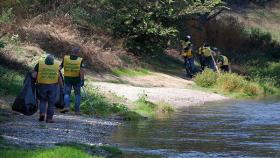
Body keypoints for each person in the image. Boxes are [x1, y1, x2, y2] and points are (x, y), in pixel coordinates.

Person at [33, 54, 61, 123]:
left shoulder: (40, 64)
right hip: (53, 86)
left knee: (42, 100)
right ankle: (49, 119)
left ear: (45, 59)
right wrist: (62, 86)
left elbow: (34, 75)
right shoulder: (56, 65)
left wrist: (32, 81)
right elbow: (59, 77)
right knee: (51, 103)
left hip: (41, 85)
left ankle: (42, 113)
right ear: (53, 60)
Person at [60, 48, 85, 115]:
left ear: (72, 52)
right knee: (77, 94)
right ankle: (77, 111)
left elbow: (60, 67)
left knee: (66, 94)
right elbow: (81, 71)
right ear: (77, 53)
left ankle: (66, 107)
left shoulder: (65, 58)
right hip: (76, 80)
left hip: (67, 79)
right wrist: (82, 79)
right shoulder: (80, 60)